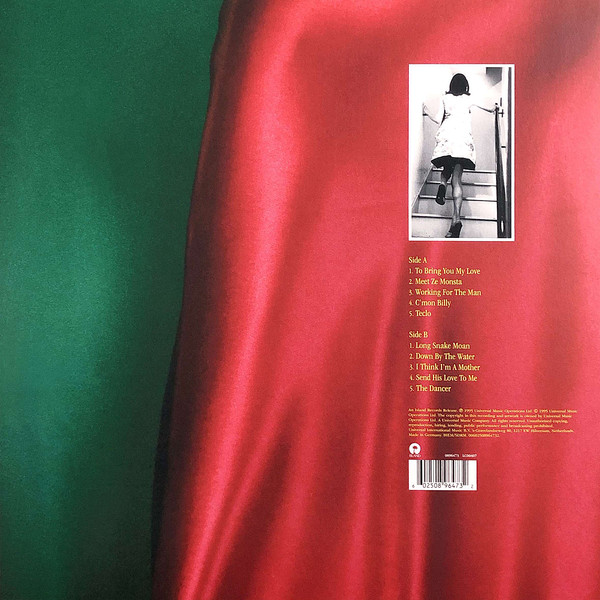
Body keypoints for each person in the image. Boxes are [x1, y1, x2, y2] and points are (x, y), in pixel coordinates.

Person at [423, 73, 495, 238]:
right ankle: (456, 221)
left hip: (447, 141)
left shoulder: (445, 98)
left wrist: (426, 111)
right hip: (462, 143)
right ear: (465, 86)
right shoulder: (468, 99)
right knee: (457, 180)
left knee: (445, 170)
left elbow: (438, 119)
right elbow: (488, 107)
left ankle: (442, 184)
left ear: (451, 85)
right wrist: (494, 108)